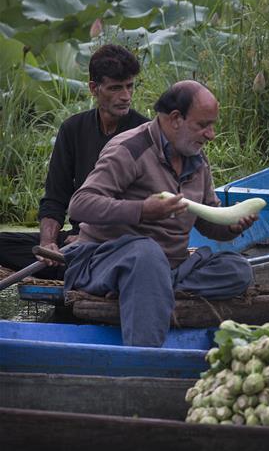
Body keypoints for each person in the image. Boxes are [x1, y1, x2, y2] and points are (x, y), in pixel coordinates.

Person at [56, 80, 255, 347]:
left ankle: (153, 289)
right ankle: (145, 357)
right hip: (106, 259)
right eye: (203, 125)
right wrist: (141, 210)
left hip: (171, 267)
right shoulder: (129, 149)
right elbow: (80, 204)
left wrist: (231, 227)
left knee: (238, 269)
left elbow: (207, 223)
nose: (211, 135)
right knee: (146, 254)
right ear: (175, 119)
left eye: (212, 125)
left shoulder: (197, 160)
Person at [0, 44, 148, 279]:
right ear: (94, 88)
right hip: (73, 241)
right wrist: (48, 245)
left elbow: (145, 211)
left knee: (118, 256)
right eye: (116, 88)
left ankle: (81, 268)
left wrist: (92, 237)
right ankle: (68, 266)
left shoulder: (144, 134)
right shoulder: (73, 129)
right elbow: (54, 199)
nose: (126, 96)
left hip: (119, 241)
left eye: (129, 86)